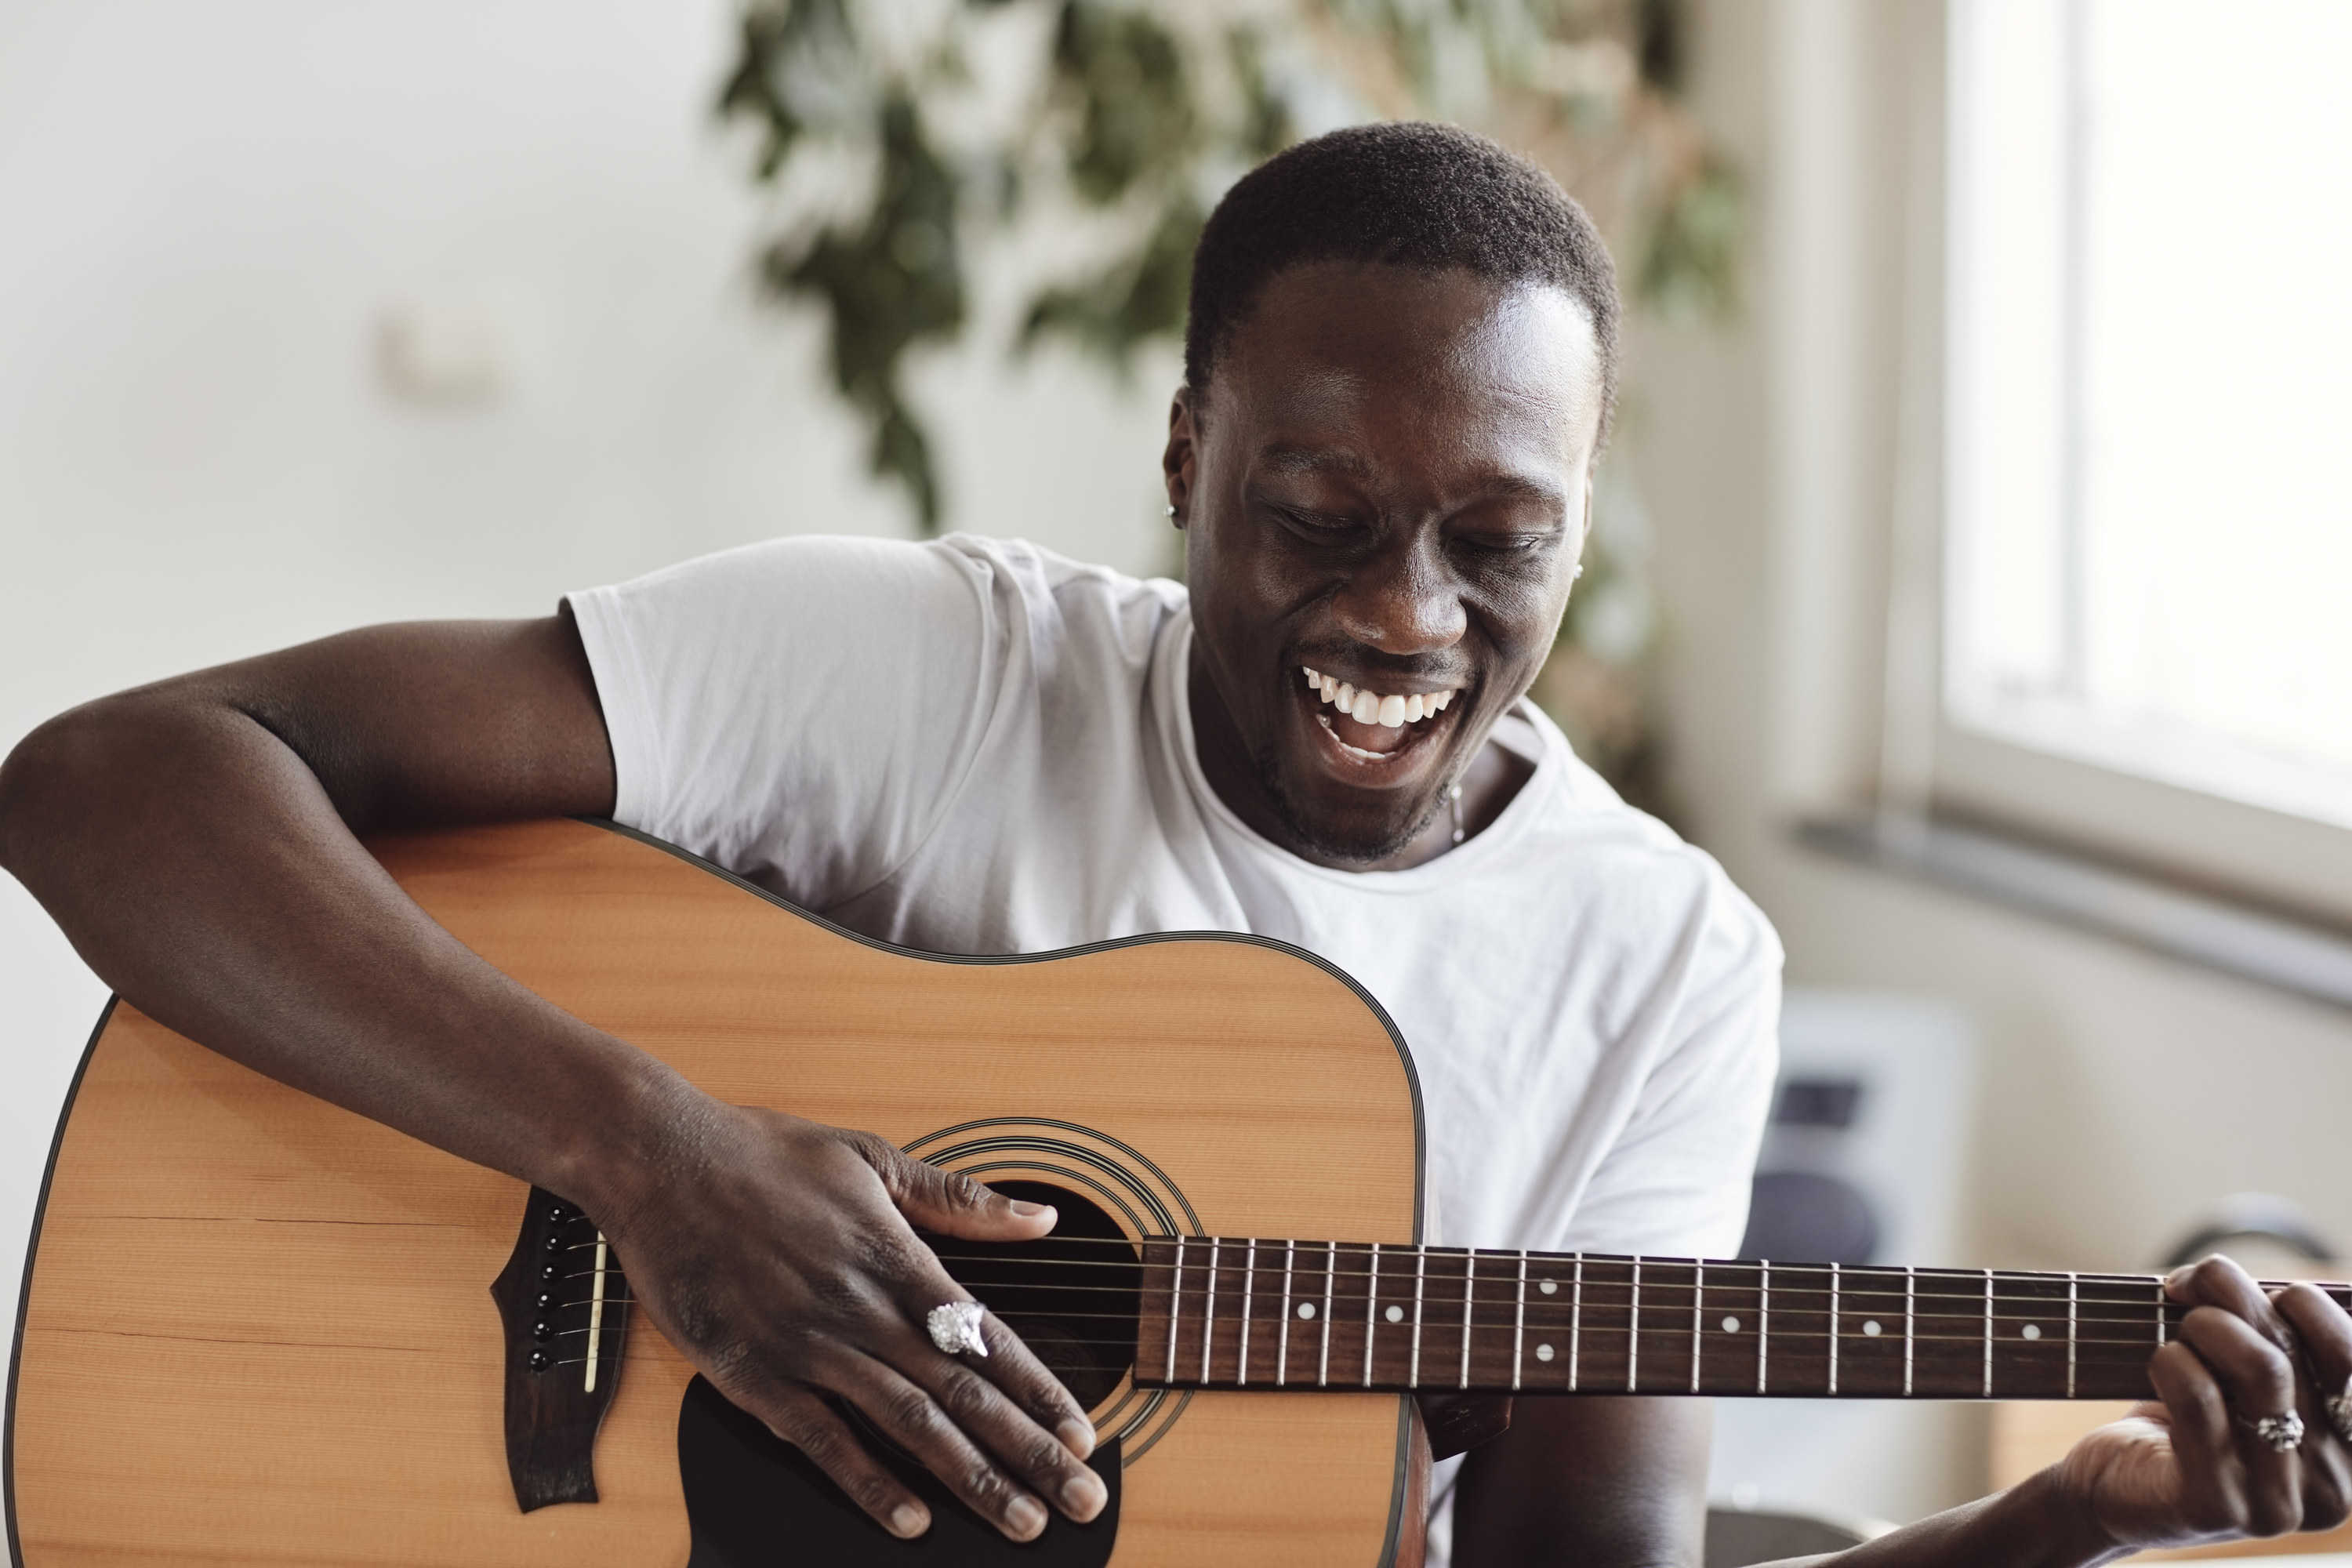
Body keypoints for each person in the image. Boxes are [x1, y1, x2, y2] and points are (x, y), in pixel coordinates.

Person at [2, 122, 2346, 1567]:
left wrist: (2068, 1515)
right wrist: (653, 1157)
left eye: (1500, 539)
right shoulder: (919, 667)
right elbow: (106, 783)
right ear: (1184, 451)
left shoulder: (1657, 966)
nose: (1408, 618)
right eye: (1319, 512)